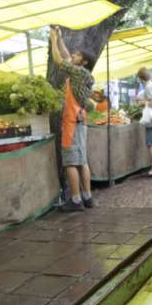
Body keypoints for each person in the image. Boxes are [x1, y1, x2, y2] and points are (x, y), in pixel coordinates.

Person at [50, 26, 95, 212]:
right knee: (82, 161)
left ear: (83, 62)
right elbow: (67, 57)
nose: (73, 56)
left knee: (70, 162)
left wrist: (53, 40)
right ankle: (88, 197)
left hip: (72, 122)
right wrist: (60, 39)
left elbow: (60, 61)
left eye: (77, 55)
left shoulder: (78, 72)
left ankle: (75, 200)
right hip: (80, 120)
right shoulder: (82, 73)